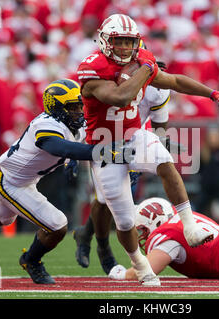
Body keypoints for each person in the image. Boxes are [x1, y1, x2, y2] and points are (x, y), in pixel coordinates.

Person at [76, 13, 219, 286]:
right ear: (105, 41)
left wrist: (211, 93)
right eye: (119, 42)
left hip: (134, 134)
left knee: (164, 160)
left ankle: (190, 226)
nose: (125, 48)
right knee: (124, 220)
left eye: (129, 42)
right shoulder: (93, 68)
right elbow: (120, 96)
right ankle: (139, 264)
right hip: (103, 146)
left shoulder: (143, 64)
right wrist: (146, 71)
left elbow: (173, 82)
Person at [0, 79, 133, 284]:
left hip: (22, 178)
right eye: (73, 107)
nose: (79, 111)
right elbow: (62, 148)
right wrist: (105, 153)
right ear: (57, 108)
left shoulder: (70, 123)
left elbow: (73, 144)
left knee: (2, 217)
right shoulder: (45, 126)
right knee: (57, 224)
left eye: (80, 106)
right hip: (8, 180)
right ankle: (31, 260)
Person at [73, 55, 172, 275]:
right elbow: (89, 114)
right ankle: (102, 245)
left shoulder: (158, 87)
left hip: (136, 139)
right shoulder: (109, 79)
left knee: (120, 198)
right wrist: (75, 147)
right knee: (105, 196)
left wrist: (161, 146)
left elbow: (159, 124)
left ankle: (87, 235)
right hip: (105, 139)